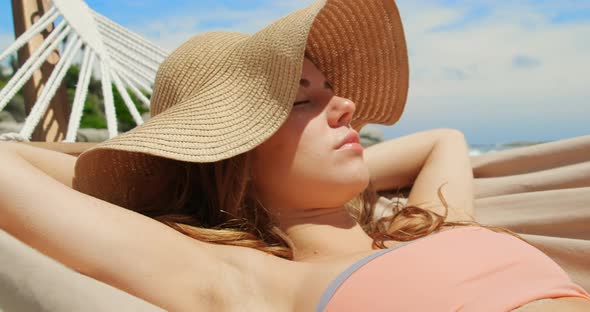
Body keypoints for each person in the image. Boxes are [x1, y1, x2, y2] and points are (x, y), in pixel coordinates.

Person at [0, 0, 589, 311]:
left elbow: (446, 140)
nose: (347, 106)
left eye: (330, 89)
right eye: (299, 100)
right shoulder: (246, 283)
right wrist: (159, 168)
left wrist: (346, 192)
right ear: (225, 157)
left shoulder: (423, 227)